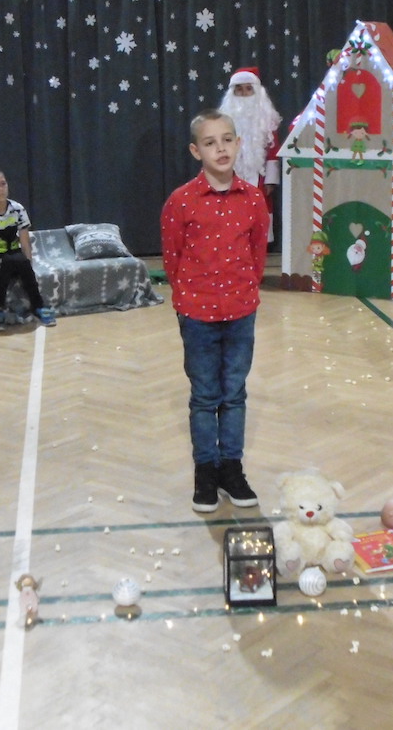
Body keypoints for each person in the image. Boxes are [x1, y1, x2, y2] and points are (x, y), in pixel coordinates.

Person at [161, 108, 268, 513]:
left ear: (238, 144)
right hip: (198, 315)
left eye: (226, 140)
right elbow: (172, 258)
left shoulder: (253, 199)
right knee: (205, 396)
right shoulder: (181, 201)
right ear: (196, 151)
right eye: (210, 142)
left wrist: (244, 291)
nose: (220, 149)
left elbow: (257, 254)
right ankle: (206, 472)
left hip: (241, 311)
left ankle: (231, 469)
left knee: (234, 393)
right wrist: (189, 299)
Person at [0, 167, 56, 332]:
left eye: (3, 184)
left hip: (14, 256)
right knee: (10, 260)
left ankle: (36, 307)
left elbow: (25, 244)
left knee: (18, 259)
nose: (0, 189)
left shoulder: (17, 209)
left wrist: (28, 268)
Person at [217, 67, 282, 240]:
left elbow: (273, 150)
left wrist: (270, 180)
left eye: (248, 89)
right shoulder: (224, 121)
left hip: (258, 176)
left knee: (258, 210)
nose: (244, 94)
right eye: (239, 89)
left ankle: (258, 242)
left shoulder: (267, 120)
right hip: (230, 174)